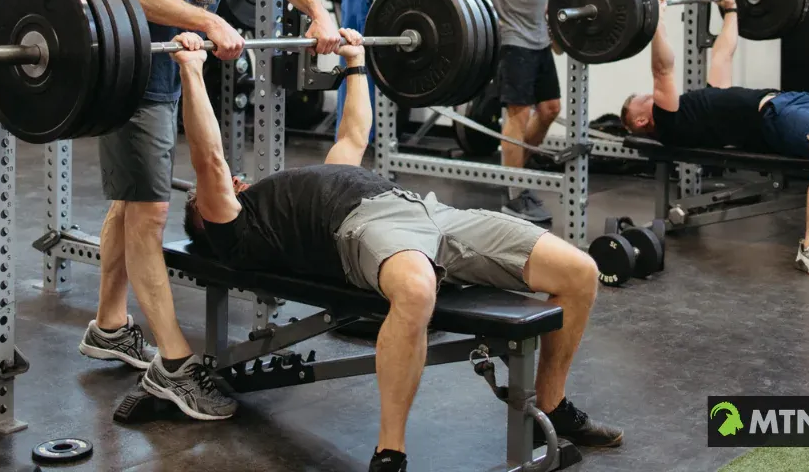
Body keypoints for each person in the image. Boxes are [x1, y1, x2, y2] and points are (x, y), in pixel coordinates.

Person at [167, 30, 622, 468]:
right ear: (208, 215)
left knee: (578, 272)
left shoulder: (300, 188)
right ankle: (391, 452)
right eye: (224, 187)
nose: (238, 179)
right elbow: (208, 158)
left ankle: (553, 404)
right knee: (416, 290)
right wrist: (192, 69)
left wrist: (355, 63)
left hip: (428, 212)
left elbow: (352, 137)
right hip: (366, 229)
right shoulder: (239, 228)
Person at [78, 0, 342, 415]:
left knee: (130, 200)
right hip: (132, 73)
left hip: (171, 67)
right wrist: (207, 19)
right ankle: (173, 363)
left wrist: (320, 15)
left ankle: (109, 325)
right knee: (149, 211)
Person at [619, 0, 809, 280]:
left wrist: (731, 11)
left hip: (800, 103)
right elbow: (662, 68)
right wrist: (657, 22)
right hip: (775, 115)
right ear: (642, 119)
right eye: (641, 98)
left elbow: (723, 53)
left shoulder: (700, 105)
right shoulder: (671, 120)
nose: (648, 94)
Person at [452, 0, 568, 224]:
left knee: (549, 109)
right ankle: (514, 194)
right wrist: (484, 13)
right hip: (513, 38)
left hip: (538, 36)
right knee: (517, 115)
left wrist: (550, 17)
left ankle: (519, 168)